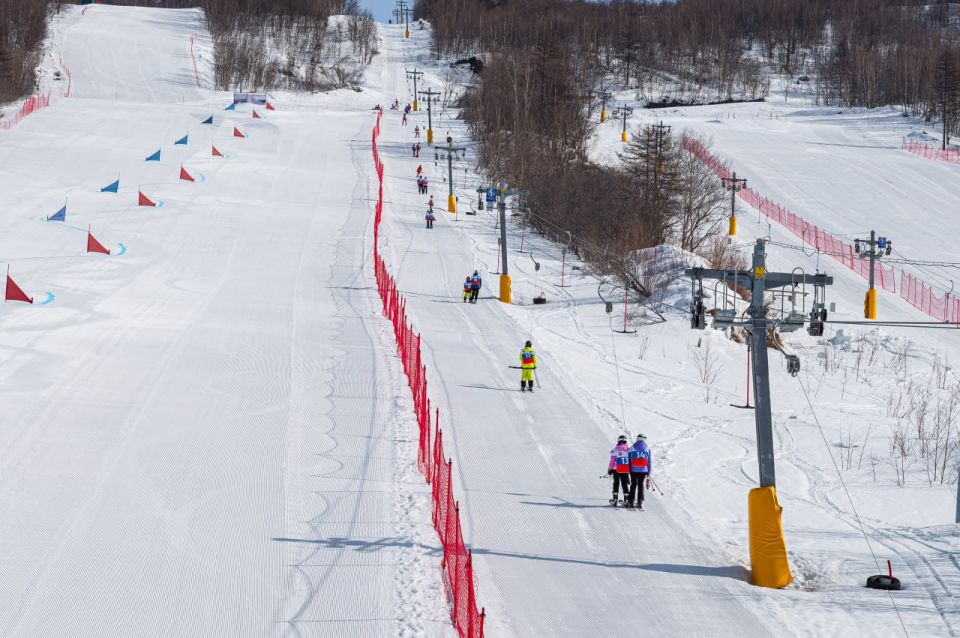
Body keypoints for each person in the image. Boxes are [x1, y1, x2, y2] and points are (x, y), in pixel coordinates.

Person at [626, 433, 652, 510]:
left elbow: (629, 460)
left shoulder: (632, 448)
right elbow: (649, 462)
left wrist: (629, 469)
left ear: (637, 438)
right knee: (641, 485)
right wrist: (648, 472)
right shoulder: (647, 449)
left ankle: (631, 501)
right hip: (644, 470)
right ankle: (640, 501)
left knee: (633, 484)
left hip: (634, 469)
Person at [608, 435, 631, 506]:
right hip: (624, 469)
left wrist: (610, 469)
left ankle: (615, 499)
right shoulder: (628, 450)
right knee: (624, 484)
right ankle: (626, 500)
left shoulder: (615, 449)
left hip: (616, 469)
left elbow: (612, 460)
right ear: (625, 441)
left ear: (619, 441)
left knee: (616, 483)